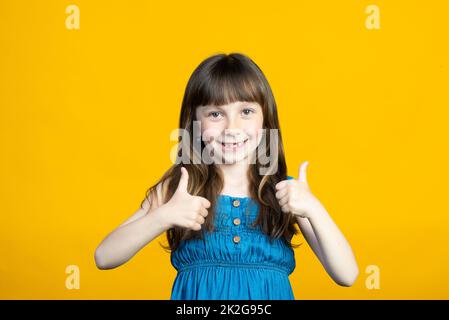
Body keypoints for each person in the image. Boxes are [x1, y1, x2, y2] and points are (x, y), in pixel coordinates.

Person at [94, 53, 359, 299]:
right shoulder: (181, 189)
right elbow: (104, 256)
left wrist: (313, 207)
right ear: (195, 123)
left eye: (246, 112)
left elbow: (347, 274)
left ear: (265, 120)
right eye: (216, 114)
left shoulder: (284, 192)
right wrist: (163, 216)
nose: (232, 128)